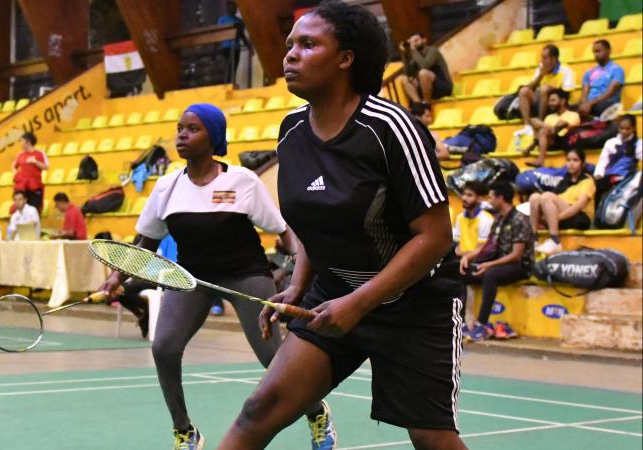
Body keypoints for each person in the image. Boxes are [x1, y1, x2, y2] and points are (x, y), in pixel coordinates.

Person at [219, 2, 466, 449]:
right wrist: (298, 285)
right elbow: (317, 223)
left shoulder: (391, 128)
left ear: (346, 58)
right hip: (332, 295)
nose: (289, 54)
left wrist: (358, 303)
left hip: (414, 304)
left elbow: (435, 237)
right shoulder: (292, 131)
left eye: (308, 44)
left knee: (432, 439)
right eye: (290, 44)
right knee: (261, 408)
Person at [98, 103, 335, 450]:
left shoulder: (243, 181)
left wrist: (294, 266)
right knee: (164, 347)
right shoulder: (166, 188)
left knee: (273, 358)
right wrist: (118, 277)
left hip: (246, 274)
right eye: (180, 127)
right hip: (191, 279)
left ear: (214, 138)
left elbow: (283, 231)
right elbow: (143, 245)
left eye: (192, 129)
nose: (181, 134)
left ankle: (316, 413)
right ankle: (185, 432)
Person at [442, 182, 534, 341]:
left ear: (501, 198)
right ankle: (461, 323)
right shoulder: (499, 220)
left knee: (490, 274)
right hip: (500, 263)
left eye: (491, 198)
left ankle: (482, 325)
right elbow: (487, 246)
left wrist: (489, 264)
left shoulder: (520, 220)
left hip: (520, 267)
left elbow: (516, 255)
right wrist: (467, 258)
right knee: (460, 271)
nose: (489, 202)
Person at [530, 148, 596, 255]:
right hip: (560, 217)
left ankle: (555, 240)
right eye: (568, 160)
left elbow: (578, 206)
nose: (571, 164)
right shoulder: (564, 181)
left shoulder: (588, 181)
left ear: (582, 164)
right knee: (534, 197)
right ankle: (533, 239)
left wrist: (556, 218)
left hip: (579, 217)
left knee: (547, 196)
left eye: (575, 160)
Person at [517, 45, 575, 132]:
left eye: (544, 58)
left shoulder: (566, 71)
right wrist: (541, 75)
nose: (542, 61)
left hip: (556, 103)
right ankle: (527, 126)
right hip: (539, 101)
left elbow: (567, 93)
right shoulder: (541, 68)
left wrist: (551, 88)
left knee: (544, 89)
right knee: (523, 91)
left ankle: (540, 122)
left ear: (553, 59)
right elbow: (530, 87)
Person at [523, 88, 580, 167]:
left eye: (553, 100)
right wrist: (530, 147)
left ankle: (540, 160)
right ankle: (551, 130)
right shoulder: (549, 117)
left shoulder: (573, 115)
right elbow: (542, 135)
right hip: (550, 141)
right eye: (549, 101)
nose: (550, 103)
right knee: (534, 120)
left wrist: (555, 129)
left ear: (563, 101)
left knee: (560, 123)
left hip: (564, 140)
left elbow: (569, 128)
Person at [594, 114, 642, 204]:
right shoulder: (610, 142)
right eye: (621, 128)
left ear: (634, 128)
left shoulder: (638, 143)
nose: (624, 131)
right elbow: (603, 161)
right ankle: (598, 214)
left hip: (627, 176)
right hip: (609, 176)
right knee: (597, 186)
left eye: (627, 129)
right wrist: (598, 174)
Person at [397, 31, 453, 103]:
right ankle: (420, 105)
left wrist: (413, 50)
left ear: (424, 40)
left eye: (416, 40)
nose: (414, 43)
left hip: (443, 87)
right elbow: (408, 73)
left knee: (423, 73)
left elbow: (425, 65)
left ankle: (426, 104)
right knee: (404, 78)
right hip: (427, 90)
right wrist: (404, 54)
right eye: (411, 42)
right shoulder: (415, 55)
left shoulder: (433, 50)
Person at [578, 39, 624, 119]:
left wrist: (590, 104)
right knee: (570, 110)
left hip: (606, 103)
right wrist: (584, 104)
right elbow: (584, 92)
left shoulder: (617, 70)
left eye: (598, 51)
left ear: (608, 51)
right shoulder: (589, 72)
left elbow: (609, 92)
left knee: (598, 108)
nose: (596, 54)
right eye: (594, 52)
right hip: (589, 104)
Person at [453, 181, 494, 257]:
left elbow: (481, 250)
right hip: (459, 258)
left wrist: (462, 254)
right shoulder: (460, 217)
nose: (464, 198)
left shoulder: (486, 220)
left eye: (469, 195)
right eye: (464, 194)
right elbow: (457, 245)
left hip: (477, 261)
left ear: (480, 199)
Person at [217, 1, 251, 85]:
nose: (235, 8)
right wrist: (215, 49)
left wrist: (249, 47)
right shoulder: (222, 20)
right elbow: (217, 34)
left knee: (234, 66)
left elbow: (242, 35)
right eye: (232, 6)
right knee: (228, 66)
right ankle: (227, 83)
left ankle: (231, 83)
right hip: (226, 47)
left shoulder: (239, 21)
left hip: (236, 47)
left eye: (235, 7)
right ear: (228, 8)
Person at [12, 132, 48, 212]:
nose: (20, 143)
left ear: (28, 142)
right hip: (23, 187)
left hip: (35, 186)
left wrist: (35, 162)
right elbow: (14, 166)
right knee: (22, 210)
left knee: (34, 210)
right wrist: (17, 175)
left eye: (21, 141)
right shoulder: (20, 154)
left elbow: (46, 167)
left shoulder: (39, 153)